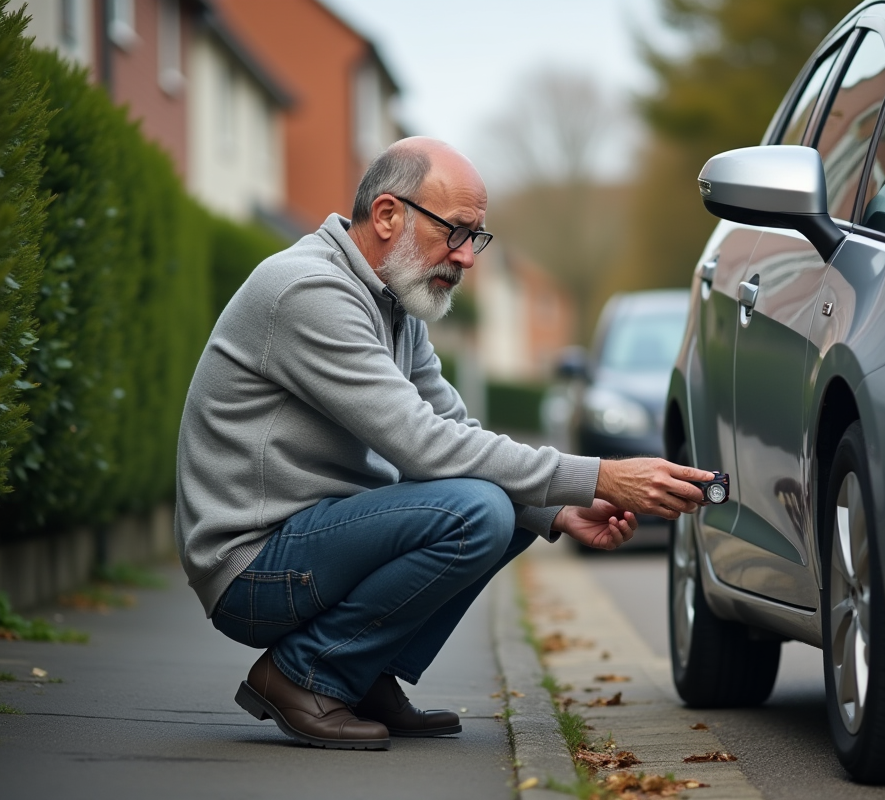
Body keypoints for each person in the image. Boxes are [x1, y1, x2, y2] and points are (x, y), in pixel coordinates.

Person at [174, 137, 715, 751]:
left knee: (506, 502)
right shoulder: (309, 292)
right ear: (386, 216)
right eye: (457, 231)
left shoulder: (396, 305)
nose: (468, 257)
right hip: (253, 569)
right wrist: (602, 477)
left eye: (476, 238)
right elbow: (426, 447)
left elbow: (460, 432)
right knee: (480, 509)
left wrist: (555, 509)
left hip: (313, 544)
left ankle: (362, 675)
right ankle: (304, 675)